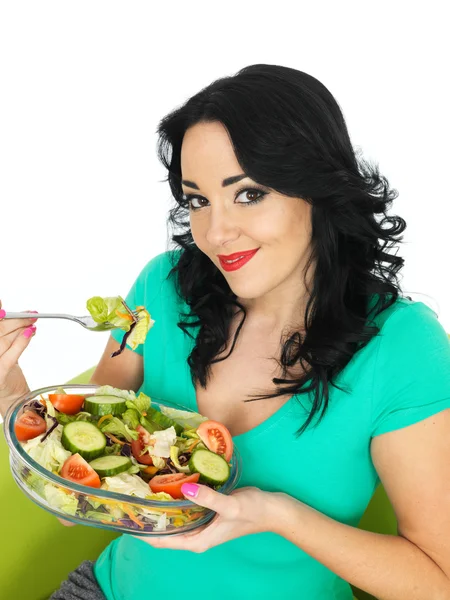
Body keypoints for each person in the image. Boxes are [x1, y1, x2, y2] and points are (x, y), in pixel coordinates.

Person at [1, 63, 450, 600]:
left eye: (249, 194)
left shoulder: (403, 348)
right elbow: (84, 499)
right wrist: (10, 392)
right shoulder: (160, 292)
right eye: (198, 200)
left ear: (318, 188)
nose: (216, 233)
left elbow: (438, 582)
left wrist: (280, 515)